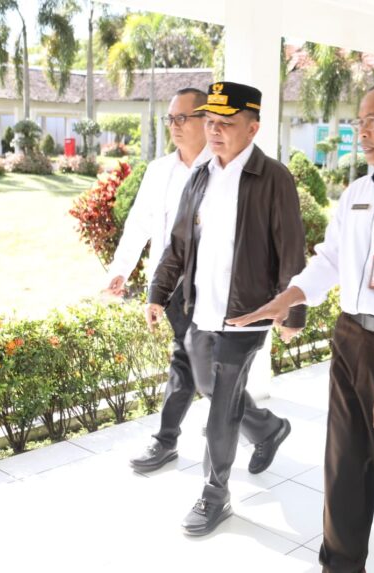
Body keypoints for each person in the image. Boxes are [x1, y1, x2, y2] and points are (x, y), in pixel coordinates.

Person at [227, 80, 374, 572]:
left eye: (373, 121)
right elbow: (331, 258)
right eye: (359, 122)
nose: (362, 132)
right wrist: (290, 296)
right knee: (344, 463)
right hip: (351, 336)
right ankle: (340, 564)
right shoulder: (358, 192)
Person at [145, 81, 307, 536]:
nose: (214, 131)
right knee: (208, 386)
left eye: (226, 124)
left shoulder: (273, 178)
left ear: (253, 128)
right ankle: (268, 429)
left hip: (247, 314)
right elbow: (179, 244)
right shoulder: (200, 176)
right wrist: (158, 292)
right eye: (210, 122)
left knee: (221, 407)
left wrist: (292, 312)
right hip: (201, 311)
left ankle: (214, 495)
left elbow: (290, 249)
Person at [109, 88, 213, 473]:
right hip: (170, 287)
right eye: (170, 118)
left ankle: (168, 439)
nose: (174, 126)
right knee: (191, 361)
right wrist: (121, 269)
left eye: (182, 118)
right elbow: (139, 224)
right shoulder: (158, 171)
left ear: (206, 119)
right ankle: (260, 426)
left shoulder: (221, 169)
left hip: (211, 287)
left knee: (195, 362)